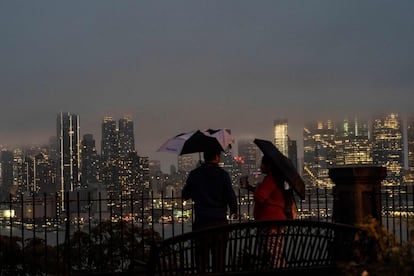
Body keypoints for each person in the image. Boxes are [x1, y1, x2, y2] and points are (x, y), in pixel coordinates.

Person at [182, 149, 238, 274]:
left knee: (201, 261)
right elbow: (231, 197)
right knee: (219, 260)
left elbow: (185, 194)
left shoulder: (195, 174)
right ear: (217, 157)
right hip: (219, 223)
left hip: (202, 223)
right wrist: (234, 211)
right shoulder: (223, 174)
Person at [241, 155, 295, 268]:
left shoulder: (270, 179)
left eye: (263, 163)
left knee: (272, 254)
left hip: (269, 222)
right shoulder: (279, 180)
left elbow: (260, 197)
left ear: (269, 166)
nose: (261, 166)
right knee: (275, 252)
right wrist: (251, 188)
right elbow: (269, 197)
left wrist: (256, 188)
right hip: (276, 221)